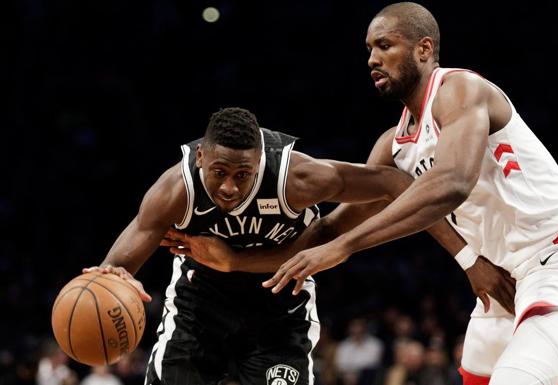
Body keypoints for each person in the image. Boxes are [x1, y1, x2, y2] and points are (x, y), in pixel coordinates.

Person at [259, 3, 558, 385]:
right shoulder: (393, 146)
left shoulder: (460, 89)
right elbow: (329, 230)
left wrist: (346, 246)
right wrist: (231, 259)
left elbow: (452, 182)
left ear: (424, 50)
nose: (372, 59)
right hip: (501, 281)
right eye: (368, 49)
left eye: (384, 46)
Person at [84, 106, 463, 385]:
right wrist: (112, 275)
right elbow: (119, 261)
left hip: (279, 309)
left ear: (261, 162)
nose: (229, 187)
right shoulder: (176, 189)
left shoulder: (297, 178)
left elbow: (393, 184)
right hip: (199, 308)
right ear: (200, 158)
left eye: (243, 175)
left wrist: (467, 258)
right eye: (219, 173)